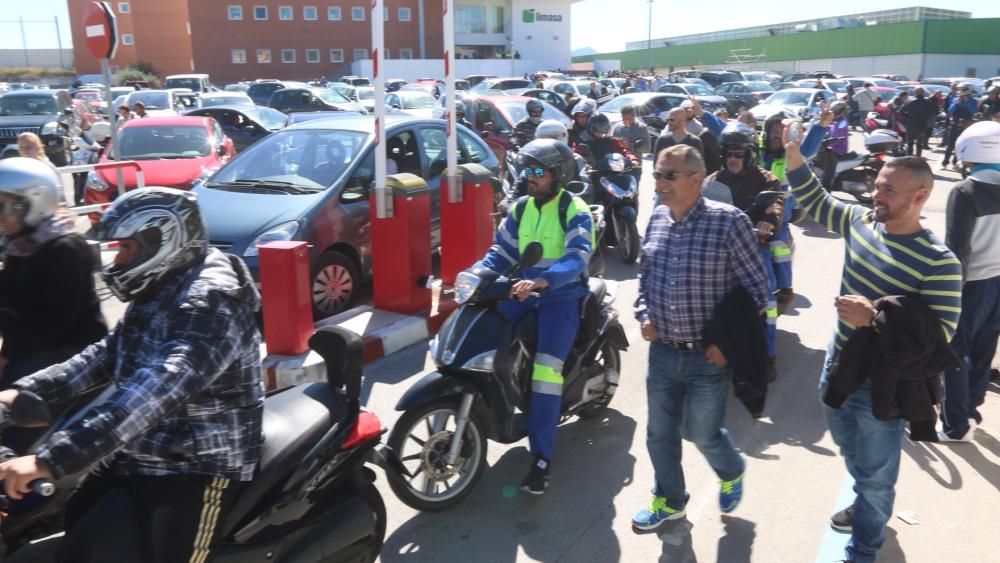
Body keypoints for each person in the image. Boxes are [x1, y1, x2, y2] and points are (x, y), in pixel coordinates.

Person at [0, 187, 264, 563]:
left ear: (164, 240)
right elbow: (106, 354)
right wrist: (23, 391)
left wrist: (49, 460)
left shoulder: (210, 303)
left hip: (200, 462)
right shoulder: (163, 284)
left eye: (127, 249)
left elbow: (153, 393)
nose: (118, 259)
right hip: (147, 446)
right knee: (80, 519)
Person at [784, 134, 962, 563]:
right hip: (839, 366)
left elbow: (938, 341)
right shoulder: (861, 221)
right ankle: (865, 502)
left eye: (888, 190)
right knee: (854, 456)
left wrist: (875, 319)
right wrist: (793, 157)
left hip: (885, 386)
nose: (875, 195)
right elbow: (818, 198)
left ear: (920, 196)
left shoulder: (939, 262)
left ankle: (863, 549)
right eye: (877, 185)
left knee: (878, 477)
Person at [631, 144, 769, 531]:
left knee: (700, 432)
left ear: (696, 179)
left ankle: (731, 468)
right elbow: (644, 279)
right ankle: (670, 501)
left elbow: (758, 290)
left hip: (707, 357)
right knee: (659, 435)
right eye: (656, 174)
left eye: (667, 176)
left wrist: (726, 344)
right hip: (662, 352)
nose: (659, 183)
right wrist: (644, 315)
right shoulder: (657, 218)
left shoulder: (729, 222)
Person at [473, 139, 593, 495]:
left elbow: (577, 257)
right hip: (522, 290)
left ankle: (541, 459)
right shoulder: (522, 207)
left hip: (560, 297)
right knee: (484, 329)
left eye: (538, 171)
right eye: (526, 170)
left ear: (558, 174)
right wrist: (474, 273)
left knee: (544, 372)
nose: (530, 177)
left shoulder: (575, 208)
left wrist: (545, 279)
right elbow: (502, 251)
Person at [0, 158, 106, 388]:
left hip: (72, 351)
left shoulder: (66, 249)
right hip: (33, 344)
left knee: (8, 400)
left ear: (34, 202)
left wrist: (7, 354)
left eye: (2, 206)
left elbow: (54, 322)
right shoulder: (19, 244)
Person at [703, 130, 785, 381]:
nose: (733, 159)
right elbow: (699, 202)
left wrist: (768, 221)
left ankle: (768, 355)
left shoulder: (766, 179)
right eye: (729, 154)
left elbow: (776, 203)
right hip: (719, 248)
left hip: (753, 245)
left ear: (749, 155)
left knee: (767, 301)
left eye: (739, 154)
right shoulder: (713, 179)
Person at [938, 121, 1000, 441]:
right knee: (984, 347)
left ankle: (955, 425)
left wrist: (948, 291)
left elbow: (956, 249)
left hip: (972, 282)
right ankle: (972, 408)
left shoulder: (965, 191)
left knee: (955, 349)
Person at [942, 85, 979, 169]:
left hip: (966, 125)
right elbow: (950, 111)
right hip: (955, 124)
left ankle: (956, 162)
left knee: (961, 144)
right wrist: (956, 104)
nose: (963, 96)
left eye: (965, 95)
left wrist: (967, 102)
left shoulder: (973, 101)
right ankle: (945, 161)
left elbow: (974, 111)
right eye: (962, 95)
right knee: (951, 144)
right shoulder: (956, 100)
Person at [898, 87, 937, 158]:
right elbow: (933, 112)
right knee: (919, 144)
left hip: (911, 125)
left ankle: (909, 158)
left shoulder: (909, 101)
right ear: (923, 93)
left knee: (910, 143)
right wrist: (926, 118)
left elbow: (900, 112)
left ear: (915, 93)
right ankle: (918, 158)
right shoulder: (927, 102)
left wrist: (907, 119)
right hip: (922, 125)